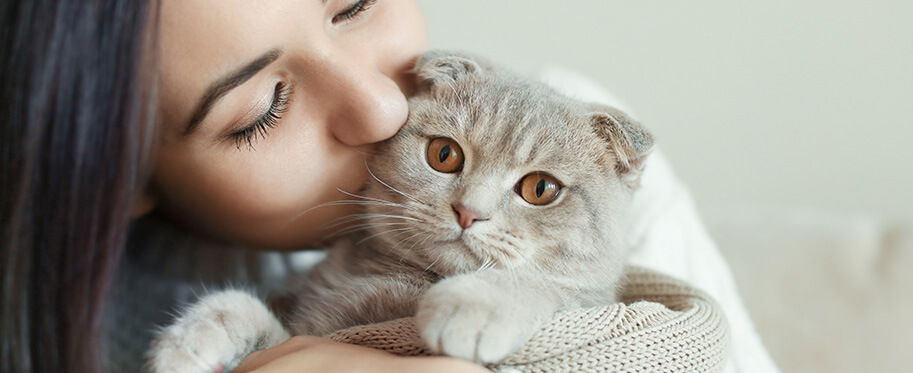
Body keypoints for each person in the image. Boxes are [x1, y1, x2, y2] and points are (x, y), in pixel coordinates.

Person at [2, 1, 778, 372]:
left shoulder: (574, 133)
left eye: (352, 3)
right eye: (262, 107)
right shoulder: (58, 322)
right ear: (118, 175)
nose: (381, 105)